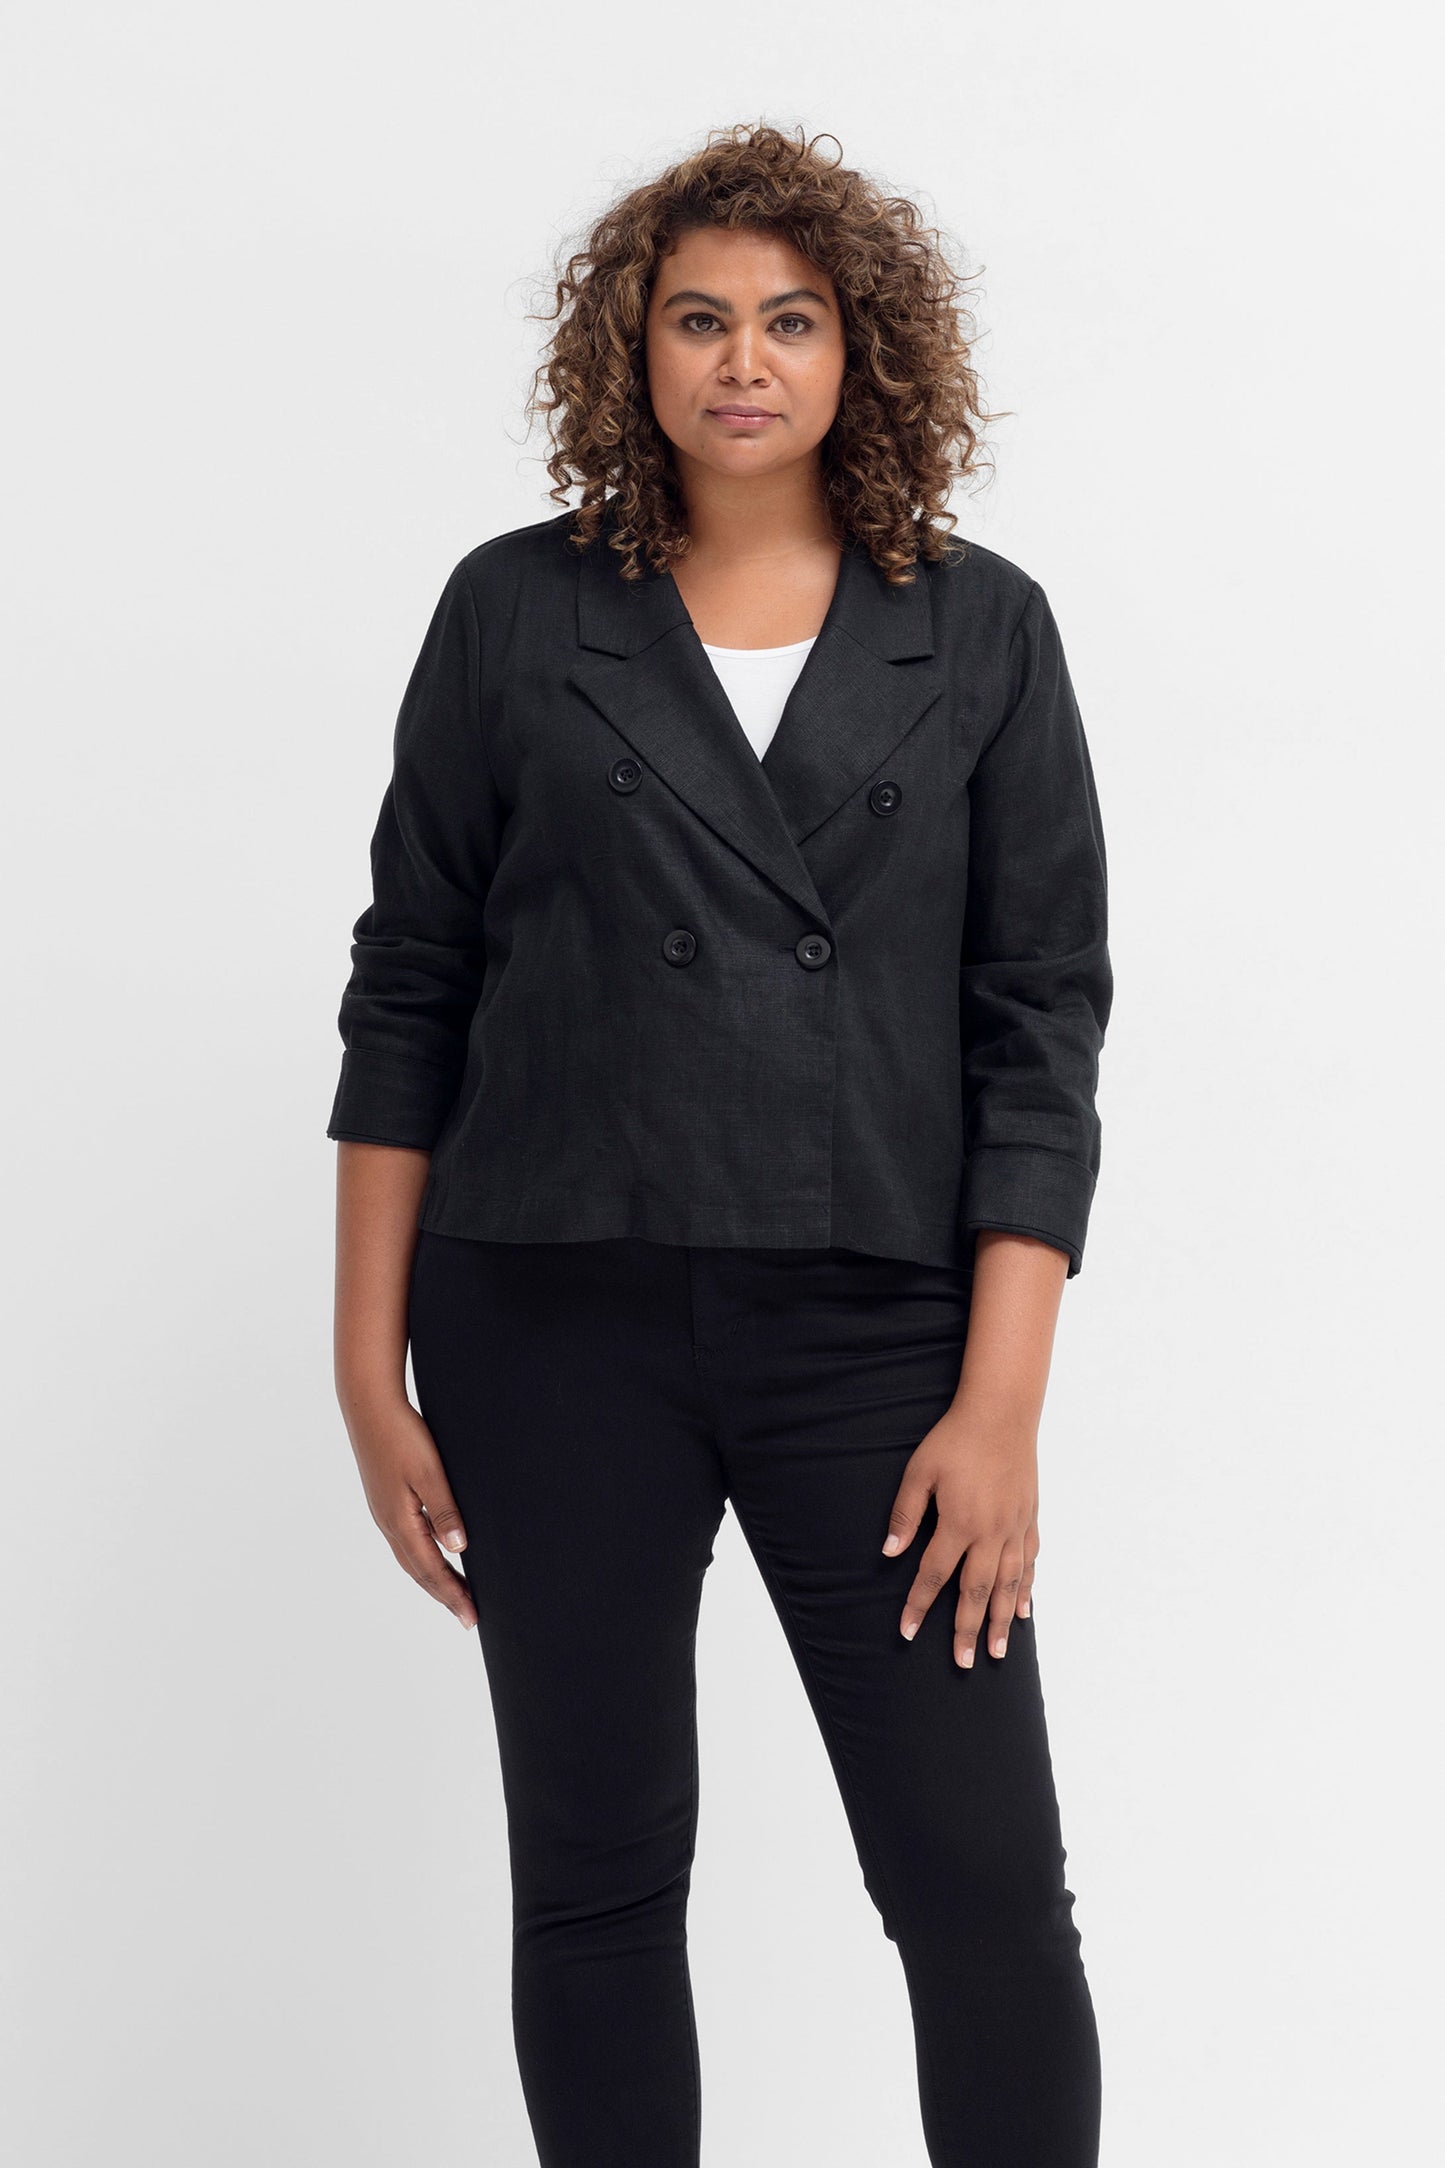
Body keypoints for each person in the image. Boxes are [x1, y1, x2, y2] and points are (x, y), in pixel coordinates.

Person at [327, 121, 1112, 2168]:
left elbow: (1039, 1023)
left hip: (878, 1329)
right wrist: (363, 1366)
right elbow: (410, 982)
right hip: (547, 1314)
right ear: (632, 347)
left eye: (790, 319)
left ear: (864, 351)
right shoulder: (515, 610)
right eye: (697, 319)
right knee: (595, 1879)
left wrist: (1001, 1401)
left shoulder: (981, 630)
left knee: (980, 1889)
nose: (742, 361)